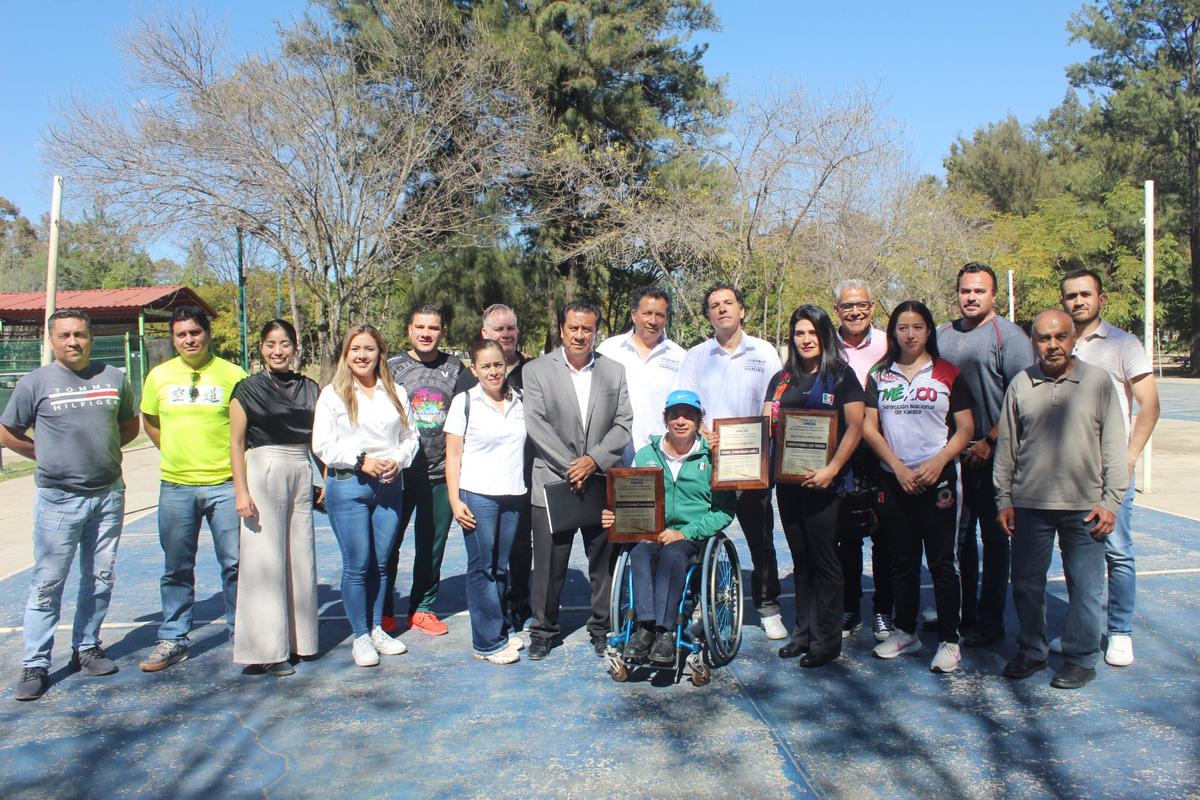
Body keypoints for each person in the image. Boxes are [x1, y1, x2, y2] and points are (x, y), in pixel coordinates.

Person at [1, 309, 138, 700]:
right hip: (58, 500)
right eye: (64, 336)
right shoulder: (35, 383)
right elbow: (9, 433)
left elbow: (128, 425)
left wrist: (104, 453)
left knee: (100, 577)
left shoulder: (114, 378)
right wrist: (46, 456)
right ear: (51, 340)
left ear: (90, 337)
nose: (73, 342)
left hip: (108, 494)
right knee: (47, 583)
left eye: (80, 334)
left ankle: (87, 647)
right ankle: (35, 663)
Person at [996, 309, 1127, 690]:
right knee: (1025, 583)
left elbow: (1114, 447)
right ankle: (1032, 651)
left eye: (1059, 337)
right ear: (1033, 342)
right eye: (1043, 338)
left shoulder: (1098, 382)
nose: (1051, 345)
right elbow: (1008, 446)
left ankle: (1081, 657)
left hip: (1085, 508)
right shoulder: (1021, 383)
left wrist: (1111, 501)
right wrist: (1004, 498)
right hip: (1030, 506)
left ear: (1073, 339)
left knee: (1084, 588)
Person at [863, 301, 974, 674]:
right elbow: (868, 427)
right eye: (902, 327)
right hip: (896, 481)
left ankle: (949, 640)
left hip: (937, 480)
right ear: (892, 332)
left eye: (918, 327)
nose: (909, 334)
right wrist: (896, 468)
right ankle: (906, 631)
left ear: (929, 331)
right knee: (903, 561)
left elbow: (965, 430)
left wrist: (939, 461)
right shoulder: (880, 375)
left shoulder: (947, 373)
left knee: (943, 562)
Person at [1059, 269, 1160, 667]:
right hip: (1068, 473)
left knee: (1118, 552)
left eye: (1085, 294)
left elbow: (1149, 406)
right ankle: (1080, 630)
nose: (1078, 301)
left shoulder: (1123, 344)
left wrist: (1129, 458)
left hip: (1110, 472)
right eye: (1071, 295)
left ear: (1100, 299)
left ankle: (1119, 631)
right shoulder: (1057, 344)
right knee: (1075, 556)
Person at [138, 305, 247, 672]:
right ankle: (173, 638)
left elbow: (245, 430)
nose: (188, 340)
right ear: (173, 338)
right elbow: (151, 422)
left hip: (225, 485)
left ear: (207, 334)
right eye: (181, 334)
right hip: (176, 486)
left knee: (235, 564)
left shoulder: (233, 375)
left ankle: (242, 633)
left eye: (194, 332)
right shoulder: (159, 376)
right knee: (176, 567)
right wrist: (174, 452)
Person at [521, 300, 632, 660]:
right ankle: (544, 630)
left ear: (595, 331)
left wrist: (593, 461)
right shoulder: (536, 371)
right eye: (574, 328)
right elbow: (536, 425)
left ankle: (602, 628)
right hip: (554, 481)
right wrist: (574, 465)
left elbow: (623, 424)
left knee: (603, 562)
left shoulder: (614, 371)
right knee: (550, 566)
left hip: (599, 479)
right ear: (562, 331)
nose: (580, 335)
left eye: (587, 329)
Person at [677, 283, 787, 640]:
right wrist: (704, 432)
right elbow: (687, 406)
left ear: (742, 310)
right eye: (714, 305)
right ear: (708, 314)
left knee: (761, 538)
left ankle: (768, 607)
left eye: (728, 303)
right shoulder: (696, 356)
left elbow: (777, 401)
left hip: (754, 464)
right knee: (701, 537)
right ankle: (697, 606)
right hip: (707, 462)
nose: (722, 309)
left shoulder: (766, 352)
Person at [937, 262, 1034, 648]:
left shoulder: (1008, 337)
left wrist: (991, 439)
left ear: (994, 295)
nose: (971, 297)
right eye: (965, 290)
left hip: (993, 454)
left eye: (979, 291)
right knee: (957, 540)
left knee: (994, 540)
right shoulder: (942, 335)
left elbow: (1022, 395)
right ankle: (962, 615)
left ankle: (991, 622)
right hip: (952, 455)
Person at [601, 390, 736, 664]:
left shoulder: (714, 456)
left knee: (674, 555)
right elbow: (629, 499)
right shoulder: (645, 455)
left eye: (688, 415)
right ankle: (646, 628)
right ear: (665, 419)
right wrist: (615, 516)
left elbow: (723, 511)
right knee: (639, 554)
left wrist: (684, 532)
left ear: (699, 421)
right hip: (652, 531)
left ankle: (665, 632)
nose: (681, 421)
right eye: (675, 415)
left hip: (691, 534)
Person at [313, 324, 419, 667]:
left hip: (390, 487)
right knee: (357, 565)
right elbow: (323, 444)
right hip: (348, 487)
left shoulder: (396, 393)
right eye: (355, 349)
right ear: (346, 354)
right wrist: (362, 460)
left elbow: (410, 437)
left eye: (369, 349)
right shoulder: (333, 394)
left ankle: (376, 628)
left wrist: (398, 461)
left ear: (380, 354)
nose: (362, 355)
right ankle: (360, 636)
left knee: (382, 562)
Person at [766, 305, 865, 667]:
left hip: (826, 486)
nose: (806, 339)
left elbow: (855, 427)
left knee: (825, 562)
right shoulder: (781, 379)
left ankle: (826, 641)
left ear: (824, 336)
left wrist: (832, 470)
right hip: (788, 484)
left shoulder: (841, 376)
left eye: (812, 333)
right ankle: (803, 634)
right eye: (799, 333)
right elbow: (766, 423)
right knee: (801, 561)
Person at [229, 319, 321, 676]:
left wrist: (324, 475)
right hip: (263, 467)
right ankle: (266, 649)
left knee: (301, 555)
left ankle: (301, 642)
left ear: (295, 347)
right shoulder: (246, 389)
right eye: (270, 344)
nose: (278, 351)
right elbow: (236, 443)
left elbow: (317, 440)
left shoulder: (310, 388)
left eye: (284, 343)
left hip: (301, 468)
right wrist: (241, 490)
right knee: (263, 560)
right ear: (261, 348)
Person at [444, 339, 529, 664]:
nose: (493, 371)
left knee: (500, 566)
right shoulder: (464, 402)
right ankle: (487, 642)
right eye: (486, 366)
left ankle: (500, 628)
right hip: (477, 495)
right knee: (482, 568)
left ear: (506, 365)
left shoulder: (519, 401)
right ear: (474, 369)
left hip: (512, 495)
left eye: (498, 364)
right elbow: (453, 455)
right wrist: (455, 499)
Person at [383, 306, 465, 636]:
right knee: (388, 544)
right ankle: (384, 609)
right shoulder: (390, 369)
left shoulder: (457, 369)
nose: (426, 333)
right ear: (409, 330)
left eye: (433, 327)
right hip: (399, 474)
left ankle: (422, 608)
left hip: (440, 473)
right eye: (420, 327)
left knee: (432, 545)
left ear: (442, 331)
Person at [453, 304, 535, 629]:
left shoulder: (531, 371)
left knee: (517, 549)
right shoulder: (466, 385)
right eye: (499, 330)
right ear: (485, 333)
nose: (506, 334)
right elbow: (457, 443)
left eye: (510, 328)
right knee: (485, 561)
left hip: (522, 481)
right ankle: (491, 626)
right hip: (482, 488)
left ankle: (519, 605)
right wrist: (456, 494)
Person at [832, 279, 894, 642]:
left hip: (883, 451)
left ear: (872, 307)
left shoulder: (890, 343)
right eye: (847, 306)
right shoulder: (827, 345)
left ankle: (884, 609)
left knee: (885, 535)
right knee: (846, 536)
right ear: (836, 309)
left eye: (862, 305)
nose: (855, 312)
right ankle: (850, 607)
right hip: (841, 454)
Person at [596, 286, 686, 464]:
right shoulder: (608, 350)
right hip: (613, 457)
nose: (653, 321)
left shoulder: (680, 357)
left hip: (661, 457)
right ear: (633, 315)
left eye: (659, 315)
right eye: (647, 313)